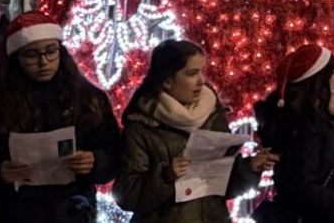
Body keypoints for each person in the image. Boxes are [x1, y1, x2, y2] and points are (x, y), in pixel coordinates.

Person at [0, 12, 119, 222]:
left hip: (74, 210)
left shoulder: (89, 100)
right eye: (32, 55)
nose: (43, 62)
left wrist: (95, 161)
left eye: (51, 51)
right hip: (17, 213)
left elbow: (114, 153)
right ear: (17, 58)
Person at [114, 39, 278, 221]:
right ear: (167, 80)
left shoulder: (212, 114)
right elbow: (126, 195)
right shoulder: (142, 125)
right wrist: (166, 176)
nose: (201, 81)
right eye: (192, 73)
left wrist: (250, 167)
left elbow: (223, 185)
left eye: (201, 71)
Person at [252, 44, 334, 223]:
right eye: (333, 74)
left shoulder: (303, 121)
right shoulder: (307, 129)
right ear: (319, 83)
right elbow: (301, 186)